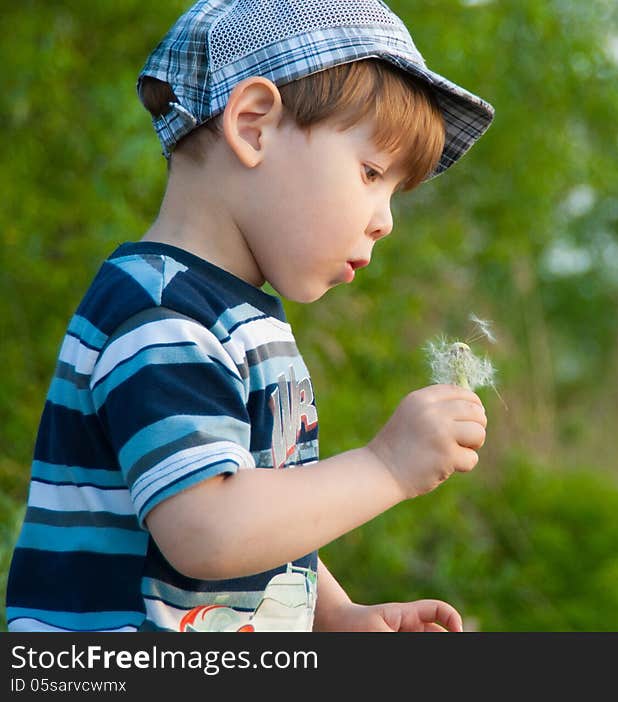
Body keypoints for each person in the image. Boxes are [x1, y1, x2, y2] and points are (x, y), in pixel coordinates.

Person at [5, 0, 493, 632]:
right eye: (371, 172)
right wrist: (384, 465)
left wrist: (334, 616)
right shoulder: (160, 314)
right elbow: (209, 529)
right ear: (255, 126)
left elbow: (259, 499)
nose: (385, 219)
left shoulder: (235, 314)